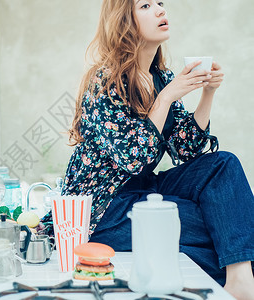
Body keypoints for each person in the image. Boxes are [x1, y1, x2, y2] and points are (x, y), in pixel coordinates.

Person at [36, 0, 254, 298]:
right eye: (146, 5)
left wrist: (208, 93)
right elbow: (134, 158)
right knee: (224, 224)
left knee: (224, 164)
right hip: (103, 207)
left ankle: (240, 282)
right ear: (124, 20)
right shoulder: (105, 81)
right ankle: (240, 278)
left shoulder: (161, 78)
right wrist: (165, 99)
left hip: (144, 189)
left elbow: (188, 150)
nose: (161, 10)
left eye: (161, 3)